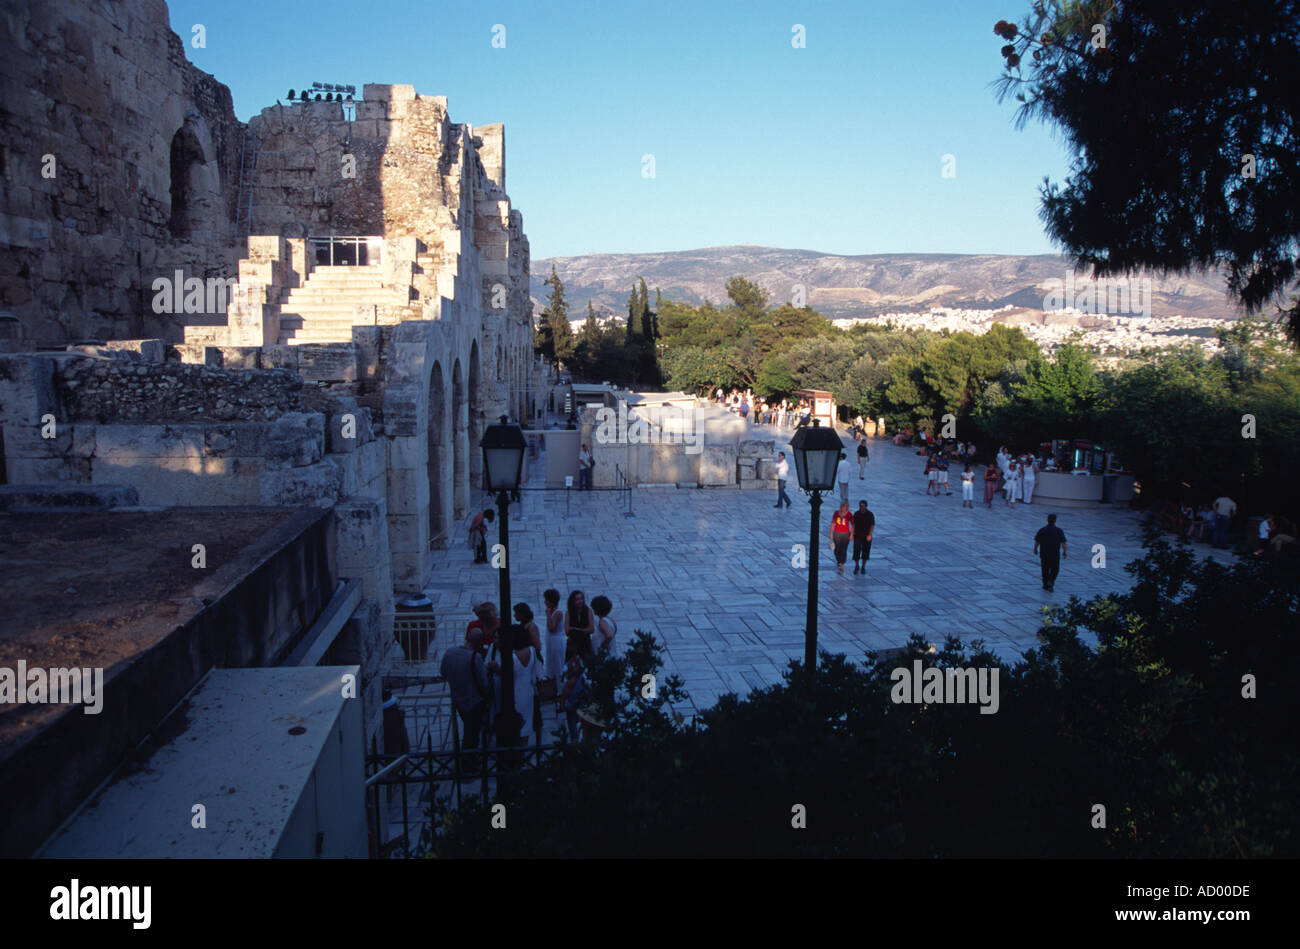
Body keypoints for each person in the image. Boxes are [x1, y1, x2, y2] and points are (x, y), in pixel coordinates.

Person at [440, 628, 490, 750]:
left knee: (468, 728)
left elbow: (443, 673)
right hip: (473, 701)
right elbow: (483, 683)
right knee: (472, 733)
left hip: (457, 699)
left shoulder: (449, 653)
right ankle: (469, 757)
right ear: (479, 642)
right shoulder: (475, 657)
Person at [1033, 513, 1068, 592]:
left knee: (1045, 569)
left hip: (1044, 553)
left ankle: (1045, 584)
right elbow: (1063, 543)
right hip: (1055, 554)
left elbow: (1037, 541)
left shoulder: (1042, 530)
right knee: (1055, 569)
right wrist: (1064, 552)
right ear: (1055, 520)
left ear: (1047, 520)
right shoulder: (1059, 531)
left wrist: (1035, 549)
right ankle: (1051, 581)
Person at [558, 655, 590, 740]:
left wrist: (562, 702)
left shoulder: (573, 679)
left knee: (573, 725)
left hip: (573, 704)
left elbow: (566, 690)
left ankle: (575, 741)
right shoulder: (583, 676)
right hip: (581, 703)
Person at [542, 588, 566, 695]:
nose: (545, 602)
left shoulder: (558, 613)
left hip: (557, 642)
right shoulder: (552, 612)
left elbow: (552, 628)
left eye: (546, 600)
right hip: (551, 642)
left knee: (558, 664)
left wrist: (548, 615)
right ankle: (553, 688)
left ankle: (560, 690)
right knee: (551, 663)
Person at [565, 589, 595, 660]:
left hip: (585, 643)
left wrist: (576, 629)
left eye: (581, 598)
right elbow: (567, 631)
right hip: (572, 644)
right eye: (577, 599)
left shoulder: (588, 611)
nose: (580, 601)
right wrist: (584, 630)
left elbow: (591, 629)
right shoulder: (569, 613)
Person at [829, 500, 853, 575]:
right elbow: (833, 523)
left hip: (845, 534)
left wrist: (852, 534)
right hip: (837, 533)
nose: (843, 508)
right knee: (837, 549)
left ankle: (842, 565)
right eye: (843, 506)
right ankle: (839, 560)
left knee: (843, 550)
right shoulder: (836, 513)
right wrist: (831, 533)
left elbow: (853, 525)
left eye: (845, 507)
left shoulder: (849, 514)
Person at [852, 499, 875, 576]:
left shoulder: (870, 514)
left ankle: (863, 567)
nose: (861, 507)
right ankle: (857, 565)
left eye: (863, 506)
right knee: (856, 550)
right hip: (857, 535)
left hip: (866, 535)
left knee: (866, 551)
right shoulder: (856, 514)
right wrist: (852, 533)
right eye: (860, 506)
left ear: (866, 506)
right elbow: (853, 524)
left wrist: (870, 534)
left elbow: (872, 525)